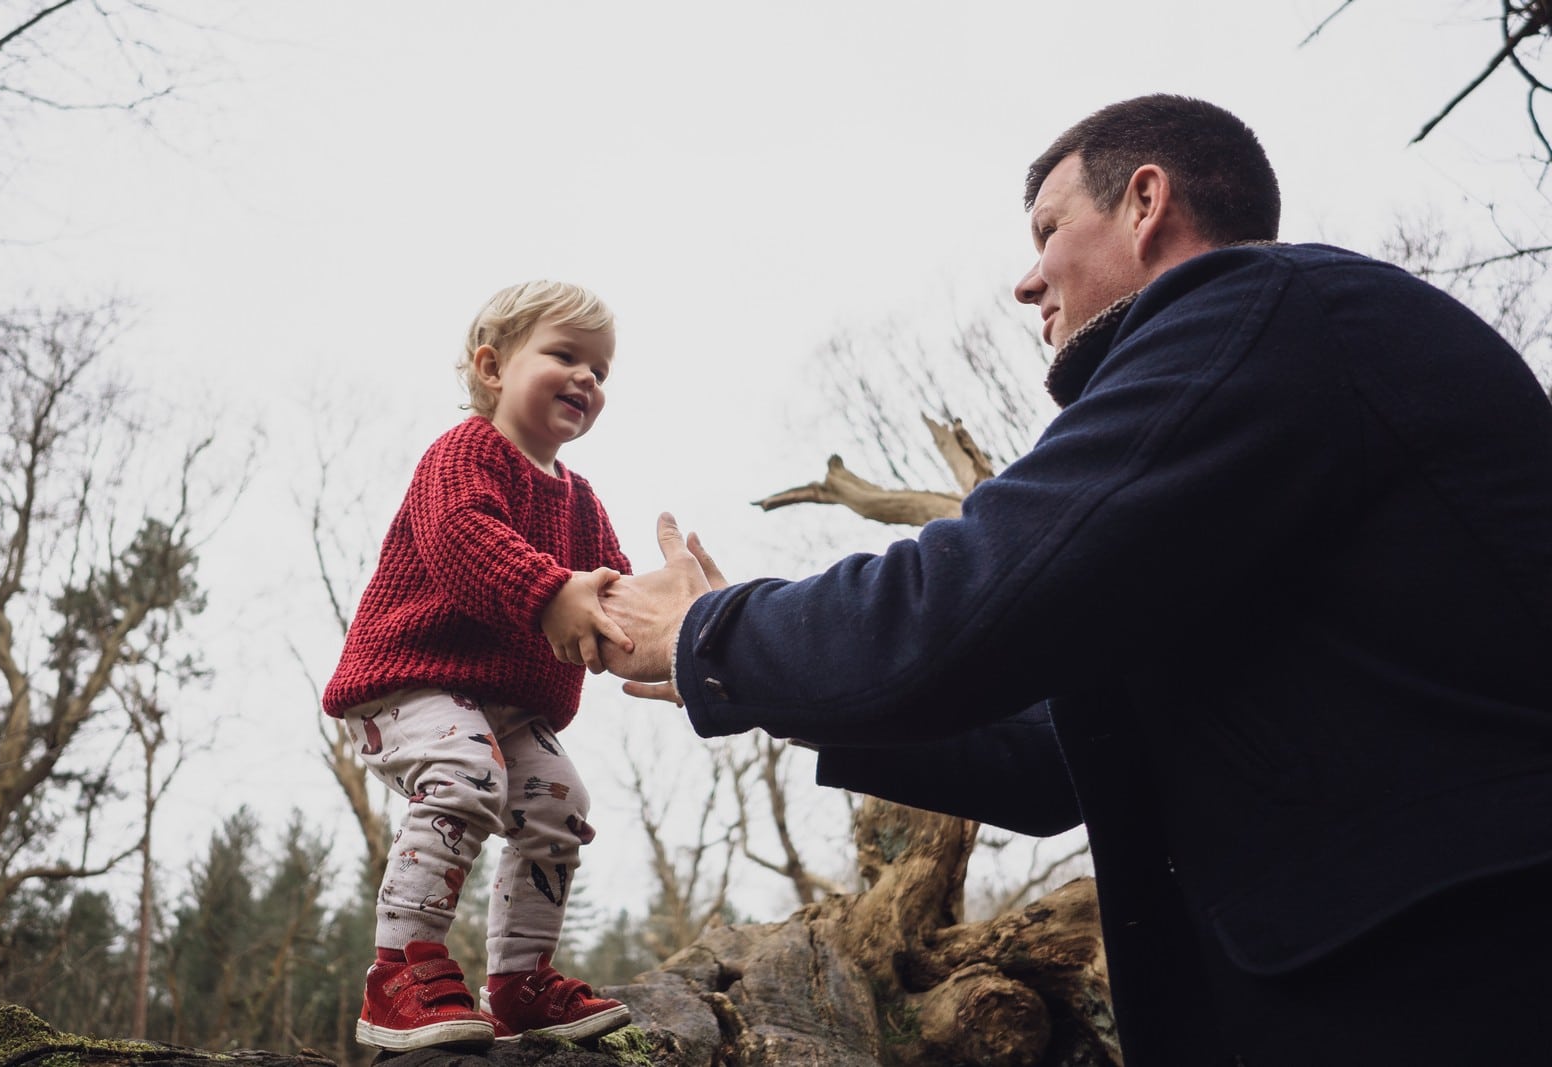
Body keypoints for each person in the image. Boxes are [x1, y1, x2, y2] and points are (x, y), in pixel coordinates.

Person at [599, 95, 1552, 1065]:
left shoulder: (1260, 310)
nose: (1024, 280)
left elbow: (978, 591)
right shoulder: (1258, 422)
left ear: (1145, 202)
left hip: (1451, 985)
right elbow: (1058, 749)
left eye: (1047, 230)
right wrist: (759, 681)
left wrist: (715, 632)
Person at [322, 280, 634, 1052]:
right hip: (412, 679)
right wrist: (551, 591)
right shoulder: (464, 453)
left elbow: (616, 592)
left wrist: (687, 630)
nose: (588, 378)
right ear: (493, 368)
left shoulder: (582, 500)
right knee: (466, 774)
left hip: (507, 705)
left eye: (602, 369)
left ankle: (520, 981)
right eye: (566, 355)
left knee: (562, 801)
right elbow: (465, 539)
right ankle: (398, 969)